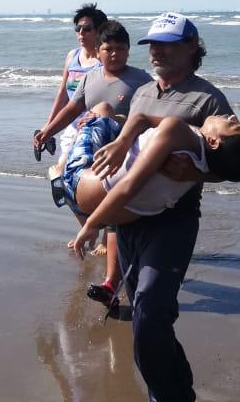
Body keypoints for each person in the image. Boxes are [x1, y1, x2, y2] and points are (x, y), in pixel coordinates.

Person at [102, 11, 233, 402]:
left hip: (173, 220)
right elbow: (129, 150)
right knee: (149, 317)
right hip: (129, 219)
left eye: (166, 44)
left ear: (192, 46)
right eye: (152, 44)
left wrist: (196, 172)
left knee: (149, 316)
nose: (156, 51)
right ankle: (179, 390)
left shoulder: (209, 99)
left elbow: (235, 165)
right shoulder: (143, 92)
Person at [34, 20, 152, 305]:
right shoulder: (90, 79)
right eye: (108, 49)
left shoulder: (142, 80)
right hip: (88, 150)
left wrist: (113, 118)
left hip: (124, 152)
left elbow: (150, 119)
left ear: (128, 51)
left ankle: (111, 282)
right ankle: (98, 242)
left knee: (115, 216)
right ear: (98, 51)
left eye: (121, 49)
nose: (115, 54)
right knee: (66, 184)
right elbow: (72, 108)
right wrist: (47, 131)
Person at [68, 105, 240, 254]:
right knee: (118, 122)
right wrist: (122, 143)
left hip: (80, 184)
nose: (232, 116)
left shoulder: (178, 130)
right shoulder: (208, 164)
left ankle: (58, 171)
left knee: (102, 111)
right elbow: (232, 174)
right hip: (126, 215)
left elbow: (127, 186)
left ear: (213, 141)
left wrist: (91, 224)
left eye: (233, 124)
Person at [39, 3, 109, 164]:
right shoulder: (73, 56)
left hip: (94, 127)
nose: (81, 33)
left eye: (87, 29)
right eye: (78, 28)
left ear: (99, 30)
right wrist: (48, 126)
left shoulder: (105, 61)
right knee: (64, 167)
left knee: (72, 167)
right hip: (71, 125)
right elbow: (63, 94)